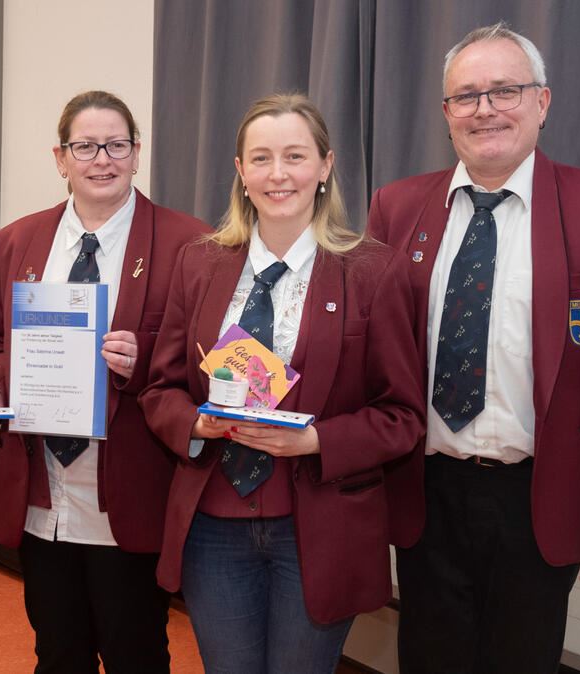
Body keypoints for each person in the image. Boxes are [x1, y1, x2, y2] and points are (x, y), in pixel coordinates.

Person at [368, 22, 580, 674]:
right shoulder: (397, 207)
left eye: (505, 90)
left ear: (542, 102)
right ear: (445, 114)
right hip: (425, 497)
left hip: (539, 501)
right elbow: (371, 356)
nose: (485, 109)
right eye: (466, 96)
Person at [139, 93, 425, 674]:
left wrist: (316, 441)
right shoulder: (200, 263)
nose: (278, 174)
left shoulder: (374, 270)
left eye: (294, 156)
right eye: (261, 158)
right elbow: (160, 389)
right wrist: (195, 421)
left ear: (325, 166)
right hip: (215, 523)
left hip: (317, 526)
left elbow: (402, 416)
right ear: (241, 172)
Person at [0, 90, 209, 673]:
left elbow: (206, 360)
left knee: (136, 651)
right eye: (86, 146)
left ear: (137, 152)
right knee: (57, 650)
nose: (102, 159)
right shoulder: (18, 240)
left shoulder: (186, 242)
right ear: (60, 157)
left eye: (116, 145)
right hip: (44, 492)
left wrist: (142, 360)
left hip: (129, 486)